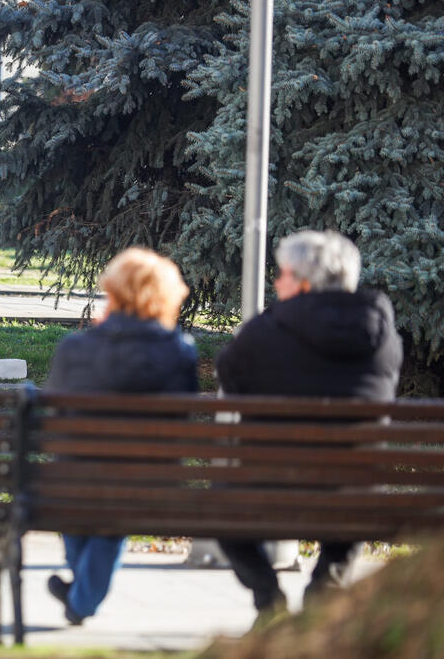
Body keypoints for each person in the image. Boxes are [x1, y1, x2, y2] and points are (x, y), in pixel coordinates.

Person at [214, 229, 403, 625]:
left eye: (281, 273)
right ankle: (322, 599)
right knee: (350, 505)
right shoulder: (382, 332)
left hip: (269, 486)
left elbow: (230, 377)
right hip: (352, 493)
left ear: (302, 281)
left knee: (220, 506)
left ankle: (269, 601)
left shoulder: (266, 329)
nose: (275, 281)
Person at [45, 248, 198, 625]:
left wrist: (100, 336)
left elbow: (54, 416)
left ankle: (82, 597)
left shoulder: (75, 347)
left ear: (112, 292)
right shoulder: (179, 353)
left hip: (74, 477)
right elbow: (181, 421)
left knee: (77, 493)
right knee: (113, 514)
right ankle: (82, 594)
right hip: (144, 480)